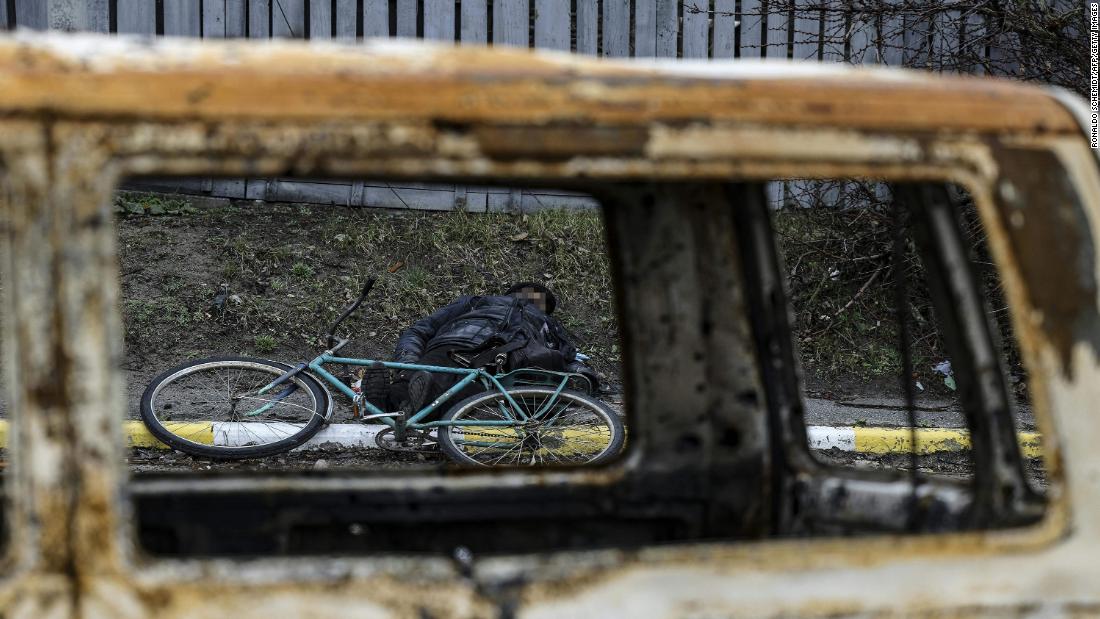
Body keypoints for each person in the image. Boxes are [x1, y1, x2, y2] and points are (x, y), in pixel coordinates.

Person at [386, 282, 599, 416]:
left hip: (496, 355)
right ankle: (400, 397)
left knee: (421, 381)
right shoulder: (476, 302)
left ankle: (394, 400)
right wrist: (408, 362)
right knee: (423, 381)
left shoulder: (545, 322)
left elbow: (419, 330)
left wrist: (407, 362)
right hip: (491, 355)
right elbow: (571, 358)